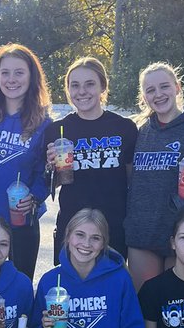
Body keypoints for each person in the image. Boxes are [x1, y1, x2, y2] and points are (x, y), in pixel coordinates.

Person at [125, 62, 184, 291]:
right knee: (145, 305)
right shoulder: (140, 131)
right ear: (144, 96)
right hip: (143, 231)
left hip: (183, 232)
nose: (158, 94)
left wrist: (182, 202)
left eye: (164, 86)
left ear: (177, 88)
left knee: (177, 307)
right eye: (150, 90)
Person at [0, 44, 52, 280]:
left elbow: (47, 173)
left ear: (31, 76)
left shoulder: (44, 123)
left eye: (19, 72)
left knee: (20, 287)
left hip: (21, 221)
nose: (11, 79)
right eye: (5, 72)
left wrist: (34, 197)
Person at [43, 58, 137, 261]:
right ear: (68, 89)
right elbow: (53, 185)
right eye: (74, 85)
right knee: (70, 288)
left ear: (103, 86)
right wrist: (51, 168)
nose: (81, 91)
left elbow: (132, 181)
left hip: (114, 224)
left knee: (111, 286)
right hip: (72, 224)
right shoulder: (57, 130)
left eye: (90, 84)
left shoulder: (124, 128)